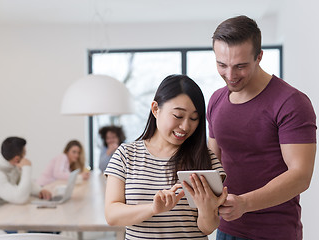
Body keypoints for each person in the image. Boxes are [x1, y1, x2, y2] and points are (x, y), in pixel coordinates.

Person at [207, 15, 317, 240]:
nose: (230, 75)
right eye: (222, 65)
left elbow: (300, 175)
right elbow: (212, 161)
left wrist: (244, 203)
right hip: (226, 229)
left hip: (275, 232)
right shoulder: (216, 100)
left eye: (240, 66)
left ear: (259, 57)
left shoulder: (291, 102)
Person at [104, 74, 228, 239]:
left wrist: (206, 209)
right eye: (178, 116)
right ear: (155, 109)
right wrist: (154, 208)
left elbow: (208, 228)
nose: (185, 126)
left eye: (193, 118)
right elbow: (112, 215)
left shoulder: (206, 159)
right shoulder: (125, 155)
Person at [0, 137, 52, 215]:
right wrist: (27, 168)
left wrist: (39, 191)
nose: (25, 157)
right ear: (17, 159)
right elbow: (20, 199)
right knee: (33, 220)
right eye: (24, 154)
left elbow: (21, 181)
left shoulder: (11, 165)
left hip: (0, 210)